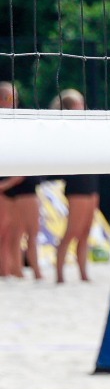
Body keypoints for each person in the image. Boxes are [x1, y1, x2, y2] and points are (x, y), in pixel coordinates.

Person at [49, 90, 100, 284]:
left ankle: (83, 274)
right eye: (79, 104)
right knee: (72, 232)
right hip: (77, 184)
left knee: (86, 232)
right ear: (69, 108)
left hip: (91, 182)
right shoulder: (66, 129)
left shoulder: (87, 127)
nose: (83, 107)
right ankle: (60, 276)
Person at [0, 80, 33, 280]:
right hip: (4, 181)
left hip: (15, 182)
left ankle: (16, 270)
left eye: (13, 97)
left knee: (18, 232)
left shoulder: (20, 120)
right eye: (5, 97)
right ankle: (5, 271)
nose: (10, 101)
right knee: (3, 232)